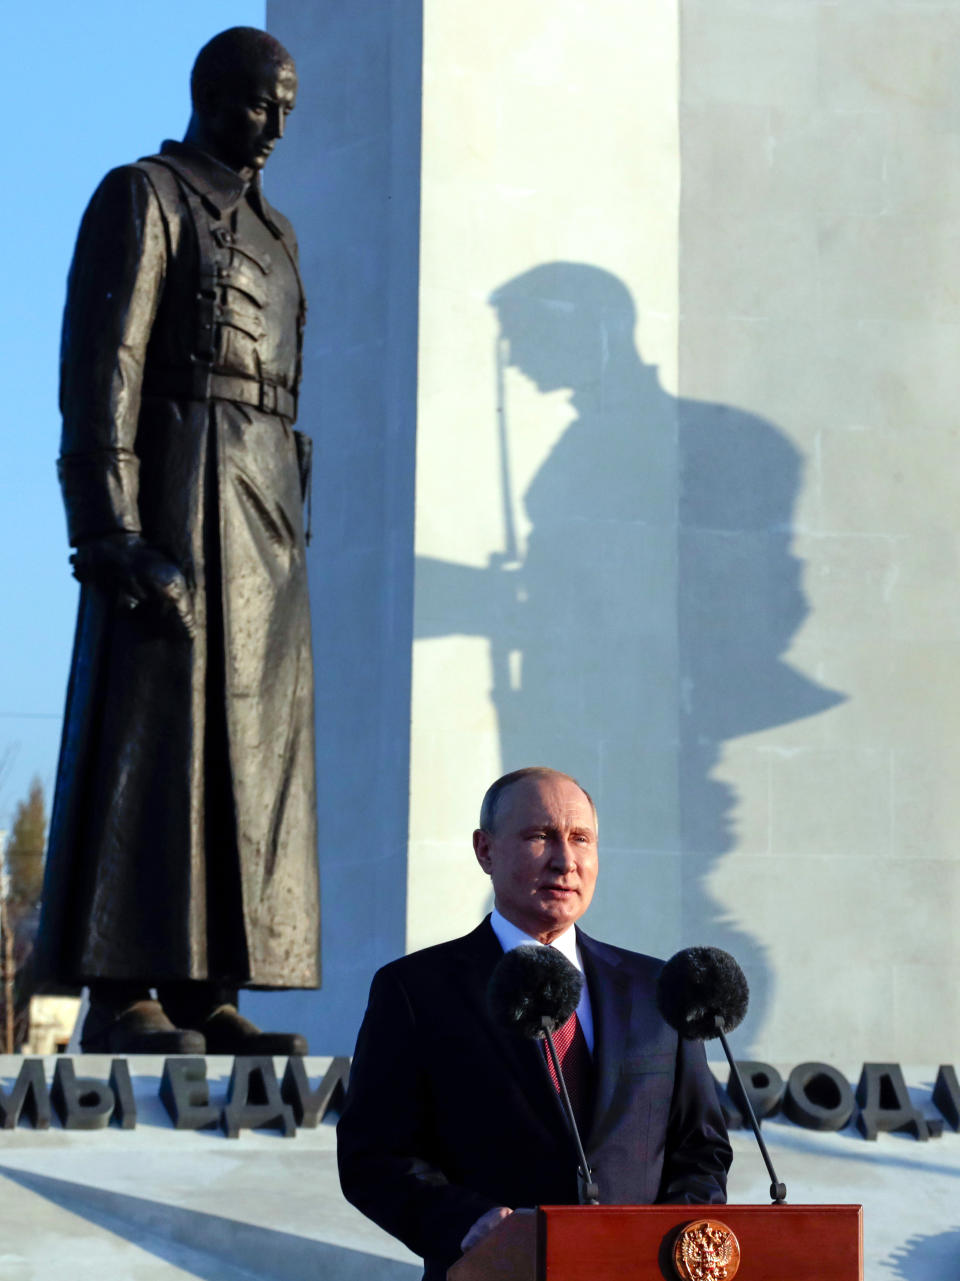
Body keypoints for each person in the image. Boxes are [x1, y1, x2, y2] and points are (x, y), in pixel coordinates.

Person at [35, 27, 320, 1054]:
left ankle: (209, 987)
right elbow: (101, 362)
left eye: (286, 107)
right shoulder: (145, 195)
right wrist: (108, 524)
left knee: (251, 758)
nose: (274, 127)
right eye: (257, 104)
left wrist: (296, 514)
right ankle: (124, 988)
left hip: (265, 513)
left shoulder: (276, 232)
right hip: (177, 482)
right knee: (156, 746)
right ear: (208, 95)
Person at [337, 767, 732, 1280]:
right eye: (539, 836)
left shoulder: (656, 988)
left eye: (580, 838)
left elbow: (701, 1147)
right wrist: (471, 1223)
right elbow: (374, 1156)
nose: (564, 861)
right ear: (485, 851)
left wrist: (672, 1237)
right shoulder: (416, 990)